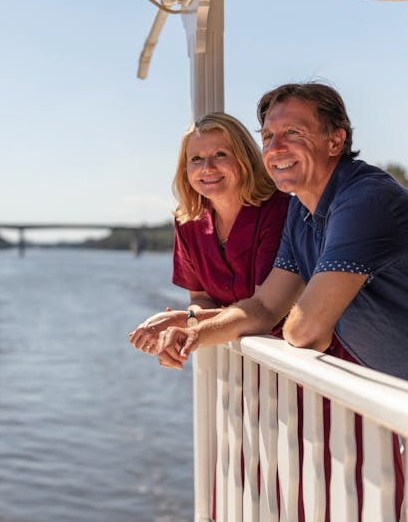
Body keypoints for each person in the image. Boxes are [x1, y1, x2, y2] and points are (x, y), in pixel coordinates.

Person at [156, 81, 406, 519]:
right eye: (268, 136)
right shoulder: (301, 208)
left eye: (294, 132)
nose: (276, 146)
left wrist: (298, 319)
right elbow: (266, 306)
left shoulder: (363, 200)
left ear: (336, 139)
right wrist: (194, 331)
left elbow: (304, 329)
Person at [128, 112, 290, 357]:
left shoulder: (280, 211)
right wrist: (179, 333)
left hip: (291, 362)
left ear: (244, 158)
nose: (207, 168)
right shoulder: (188, 222)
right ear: (185, 169)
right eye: (196, 159)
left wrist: (183, 321)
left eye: (220, 154)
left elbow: (263, 309)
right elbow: (202, 298)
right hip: (236, 369)